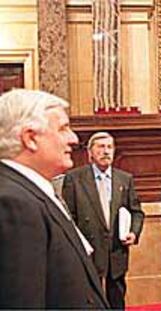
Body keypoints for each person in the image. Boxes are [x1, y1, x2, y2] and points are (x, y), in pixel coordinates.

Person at [0, 89, 109, 309]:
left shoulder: (31, 192)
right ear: (30, 138)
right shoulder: (14, 203)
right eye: (63, 128)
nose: (74, 139)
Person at [62, 131, 145, 309]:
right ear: (90, 153)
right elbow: (68, 218)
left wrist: (133, 233)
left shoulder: (125, 179)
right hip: (89, 251)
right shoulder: (74, 179)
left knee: (117, 300)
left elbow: (136, 212)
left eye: (109, 147)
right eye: (100, 147)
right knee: (90, 300)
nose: (106, 151)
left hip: (116, 250)